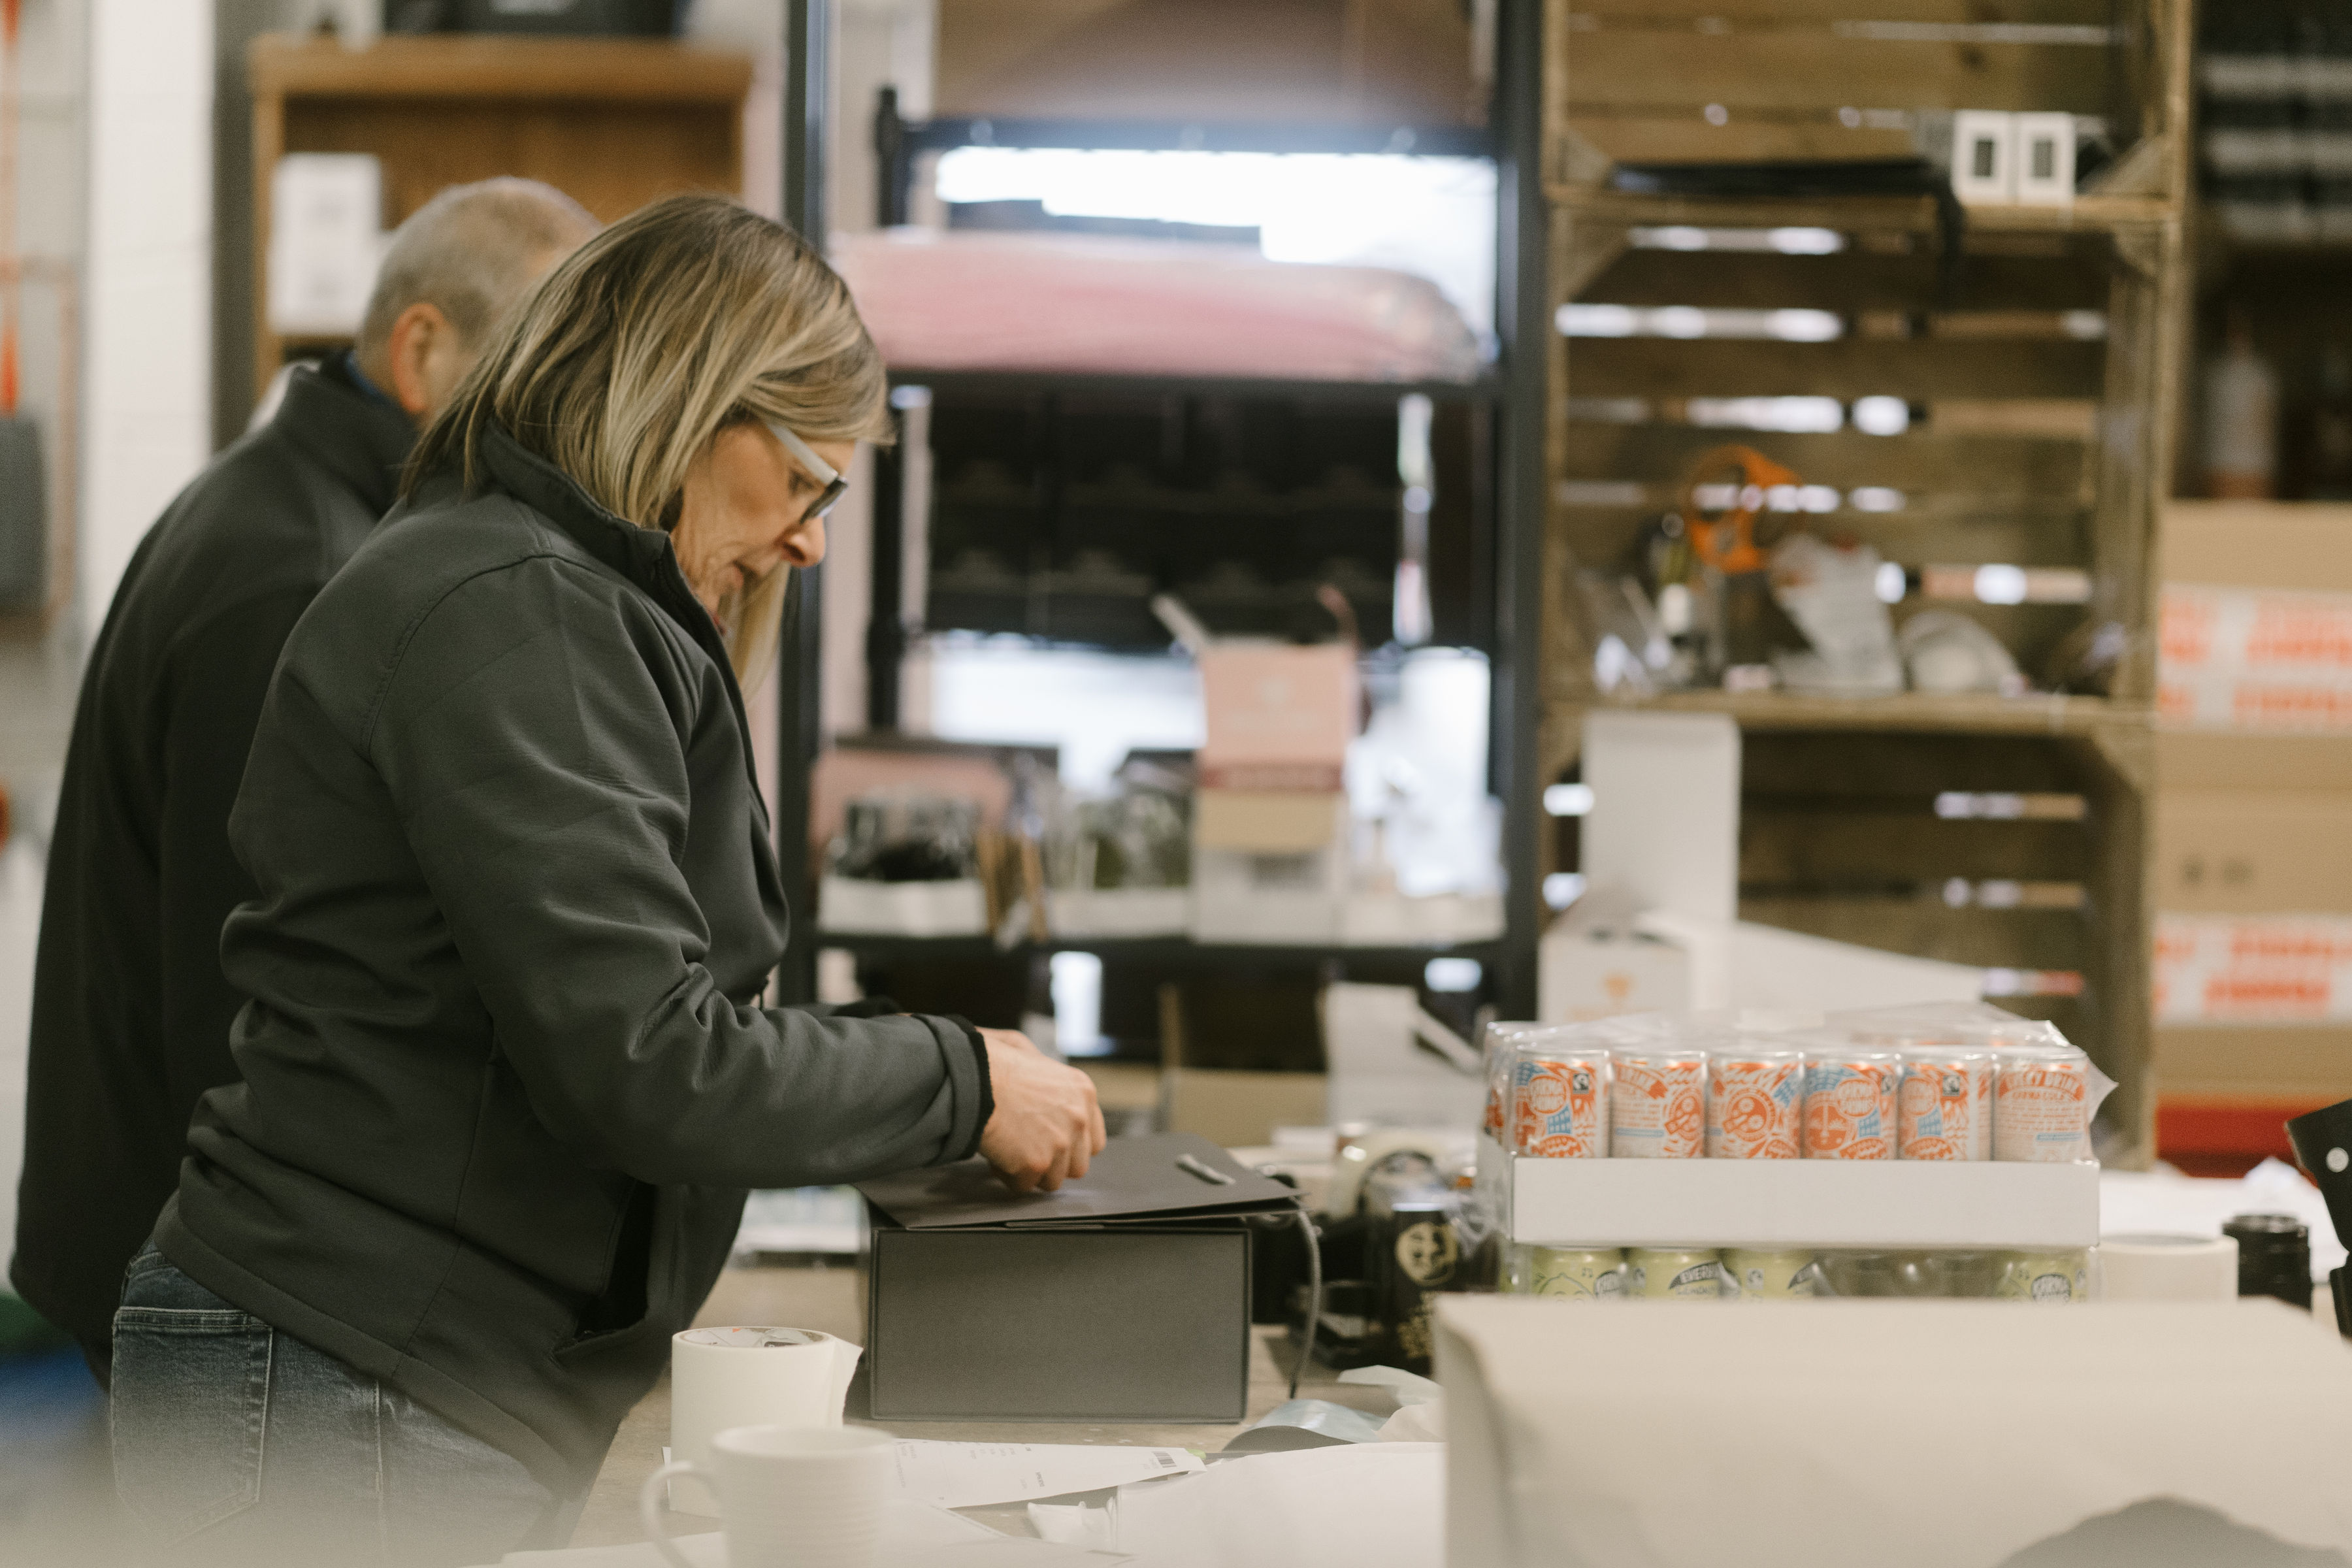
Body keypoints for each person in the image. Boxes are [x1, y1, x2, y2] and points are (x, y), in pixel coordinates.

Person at [108, 193, 1106, 1567]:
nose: (813, 538)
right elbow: (653, 1062)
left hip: (388, 1375)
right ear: (696, 403)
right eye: (814, 476)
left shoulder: (547, 593)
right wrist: (967, 1080)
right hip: (351, 1375)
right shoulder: (516, 610)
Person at [12, 178, 598, 1382]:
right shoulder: (303, 577)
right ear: (424, 349)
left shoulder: (298, 512)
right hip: (193, 1287)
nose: (579, 421)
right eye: (551, 373)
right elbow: (245, 998)